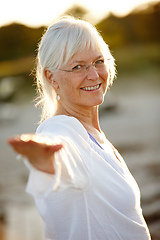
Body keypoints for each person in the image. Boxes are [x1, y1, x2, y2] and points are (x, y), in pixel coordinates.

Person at [8, 16, 151, 240]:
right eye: (77, 66)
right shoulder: (62, 130)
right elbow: (61, 151)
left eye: (98, 61)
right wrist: (44, 161)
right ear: (51, 77)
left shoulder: (92, 133)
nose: (93, 75)